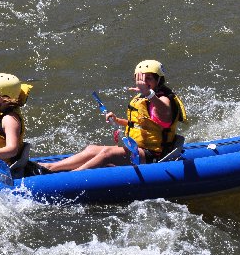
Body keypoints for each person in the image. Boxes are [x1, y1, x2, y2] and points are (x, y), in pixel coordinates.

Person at [43, 59, 186, 172]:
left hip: (153, 154)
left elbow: (165, 116)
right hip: (139, 149)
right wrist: (117, 120)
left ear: (158, 81)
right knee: (91, 149)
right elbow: (140, 124)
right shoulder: (143, 97)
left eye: (149, 78)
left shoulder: (163, 99)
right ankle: (49, 168)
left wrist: (149, 94)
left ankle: (72, 177)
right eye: (141, 78)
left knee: (107, 154)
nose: (143, 82)